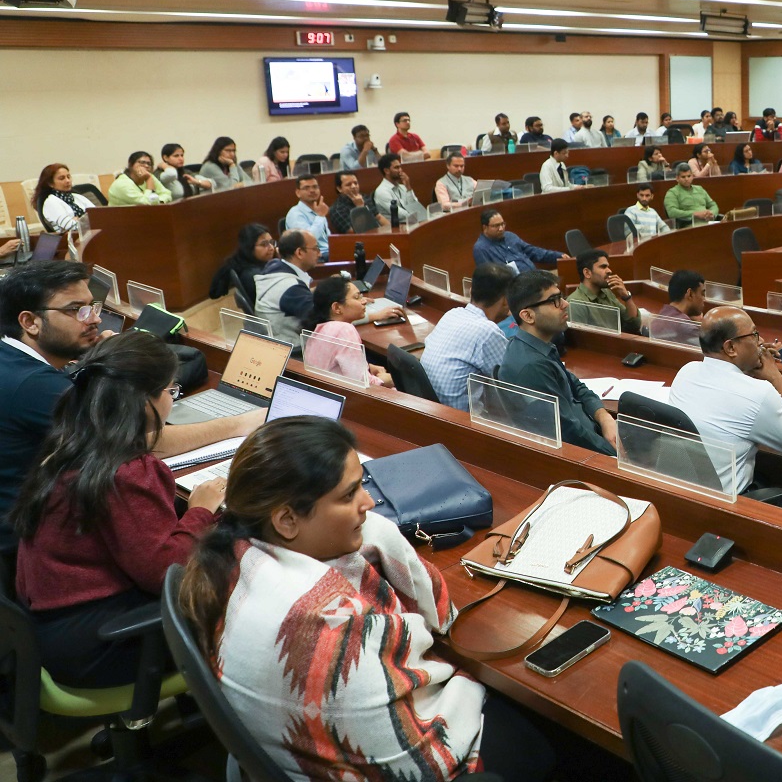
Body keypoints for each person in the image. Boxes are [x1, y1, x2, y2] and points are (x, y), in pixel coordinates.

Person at [176, 417, 557, 782]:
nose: (369, 503)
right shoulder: (332, 620)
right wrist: (468, 681)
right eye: (348, 495)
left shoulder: (233, 556)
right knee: (546, 732)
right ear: (287, 521)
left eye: (361, 485)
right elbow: (418, 765)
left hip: (287, 762)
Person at [13, 331, 225, 687]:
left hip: (53, 627)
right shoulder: (126, 471)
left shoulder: (73, 443)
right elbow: (163, 572)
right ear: (146, 402)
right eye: (170, 392)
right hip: (100, 644)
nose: (171, 401)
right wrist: (201, 510)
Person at [0, 262, 261, 550]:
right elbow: (133, 441)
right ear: (29, 322)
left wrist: (92, 361)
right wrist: (238, 424)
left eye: (93, 307)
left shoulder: (11, 357)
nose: (95, 319)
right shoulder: (37, 386)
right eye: (77, 310)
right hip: (24, 543)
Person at [669, 307, 782, 493]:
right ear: (730, 348)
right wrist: (777, 381)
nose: (761, 342)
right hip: (728, 504)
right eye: (755, 335)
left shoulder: (687, 371)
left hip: (683, 490)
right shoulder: (758, 393)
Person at [499, 270, 618, 455]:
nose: (565, 304)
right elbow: (570, 433)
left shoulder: (541, 346)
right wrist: (618, 458)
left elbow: (576, 387)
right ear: (528, 316)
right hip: (587, 454)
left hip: (596, 433)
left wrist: (604, 417)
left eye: (561, 297)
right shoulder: (530, 366)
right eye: (554, 300)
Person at [420, 263, 515, 409]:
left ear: (471, 291)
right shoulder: (487, 331)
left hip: (434, 411)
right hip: (461, 420)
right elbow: (512, 385)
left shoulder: (452, 314)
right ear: (505, 300)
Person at [307, 276, 396, 388]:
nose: (364, 301)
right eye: (357, 297)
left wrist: (367, 367)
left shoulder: (321, 328)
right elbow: (362, 384)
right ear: (337, 307)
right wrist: (388, 379)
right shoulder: (344, 330)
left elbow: (338, 367)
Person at [254, 230, 319, 344]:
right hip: (294, 347)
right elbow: (321, 323)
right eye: (315, 249)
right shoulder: (292, 287)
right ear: (299, 253)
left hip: (277, 340)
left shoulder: (275, 267)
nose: (320, 254)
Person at [569, 249, 641, 334]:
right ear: (587, 273)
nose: (609, 271)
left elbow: (634, 325)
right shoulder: (575, 303)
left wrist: (626, 297)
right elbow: (580, 342)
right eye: (603, 267)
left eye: (607, 267)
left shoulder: (607, 293)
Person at [472, 209, 563, 273]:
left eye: (503, 224)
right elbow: (490, 276)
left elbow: (533, 251)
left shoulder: (510, 236)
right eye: (496, 226)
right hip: (514, 289)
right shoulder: (481, 248)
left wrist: (558, 256)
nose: (501, 228)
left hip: (533, 277)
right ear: (485, 228)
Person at [210, 223, 276, 299]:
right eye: (264, 244)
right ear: (249, 248)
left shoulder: (247, 262)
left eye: (271, 242)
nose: (271, 248)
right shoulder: (254, 276)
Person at [32, 163, 96, 233]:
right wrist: (87, 221)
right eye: (62, 178)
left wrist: (79, 221)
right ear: (50, 183)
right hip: (71, 241)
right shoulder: (51, 202)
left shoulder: (78, 197)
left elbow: (99, 217)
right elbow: (72, 227)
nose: (67, 181)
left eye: (68, 177)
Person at [648, 269, 705, 345]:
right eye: (702, 294)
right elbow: (713, 351)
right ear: (690, 294)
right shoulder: (687, 329)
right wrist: (702, 327)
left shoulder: (658, 318)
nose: (704, 299)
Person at [282, 173, 331, 259]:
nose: (312, 190)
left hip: (327, 252)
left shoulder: (319, 209)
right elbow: (307, 241)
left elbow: (327, 239)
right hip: (312, 256)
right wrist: (320, 217)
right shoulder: (295, 214)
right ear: (298, 193)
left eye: (315, 187)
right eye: (306, 188)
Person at [372, 153, 425, 227]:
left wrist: (408, 187)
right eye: (396, 168)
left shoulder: (402, 187)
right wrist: (420, 216)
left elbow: (414, 205)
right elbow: (400, 214)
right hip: (394, 228)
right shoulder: (382, 192)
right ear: (386, 171)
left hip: (409, 223)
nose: (400, 170)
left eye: (400, 167)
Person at [108, 150, 173, 205]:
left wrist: (159, 201)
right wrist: (148, 180)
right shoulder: (122, 184)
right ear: (130, 165)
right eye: (142, 162)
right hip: (121, 218)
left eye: (149, 164)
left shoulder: (149, 176)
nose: (146, 166)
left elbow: (167, 193)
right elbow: (146, 203)